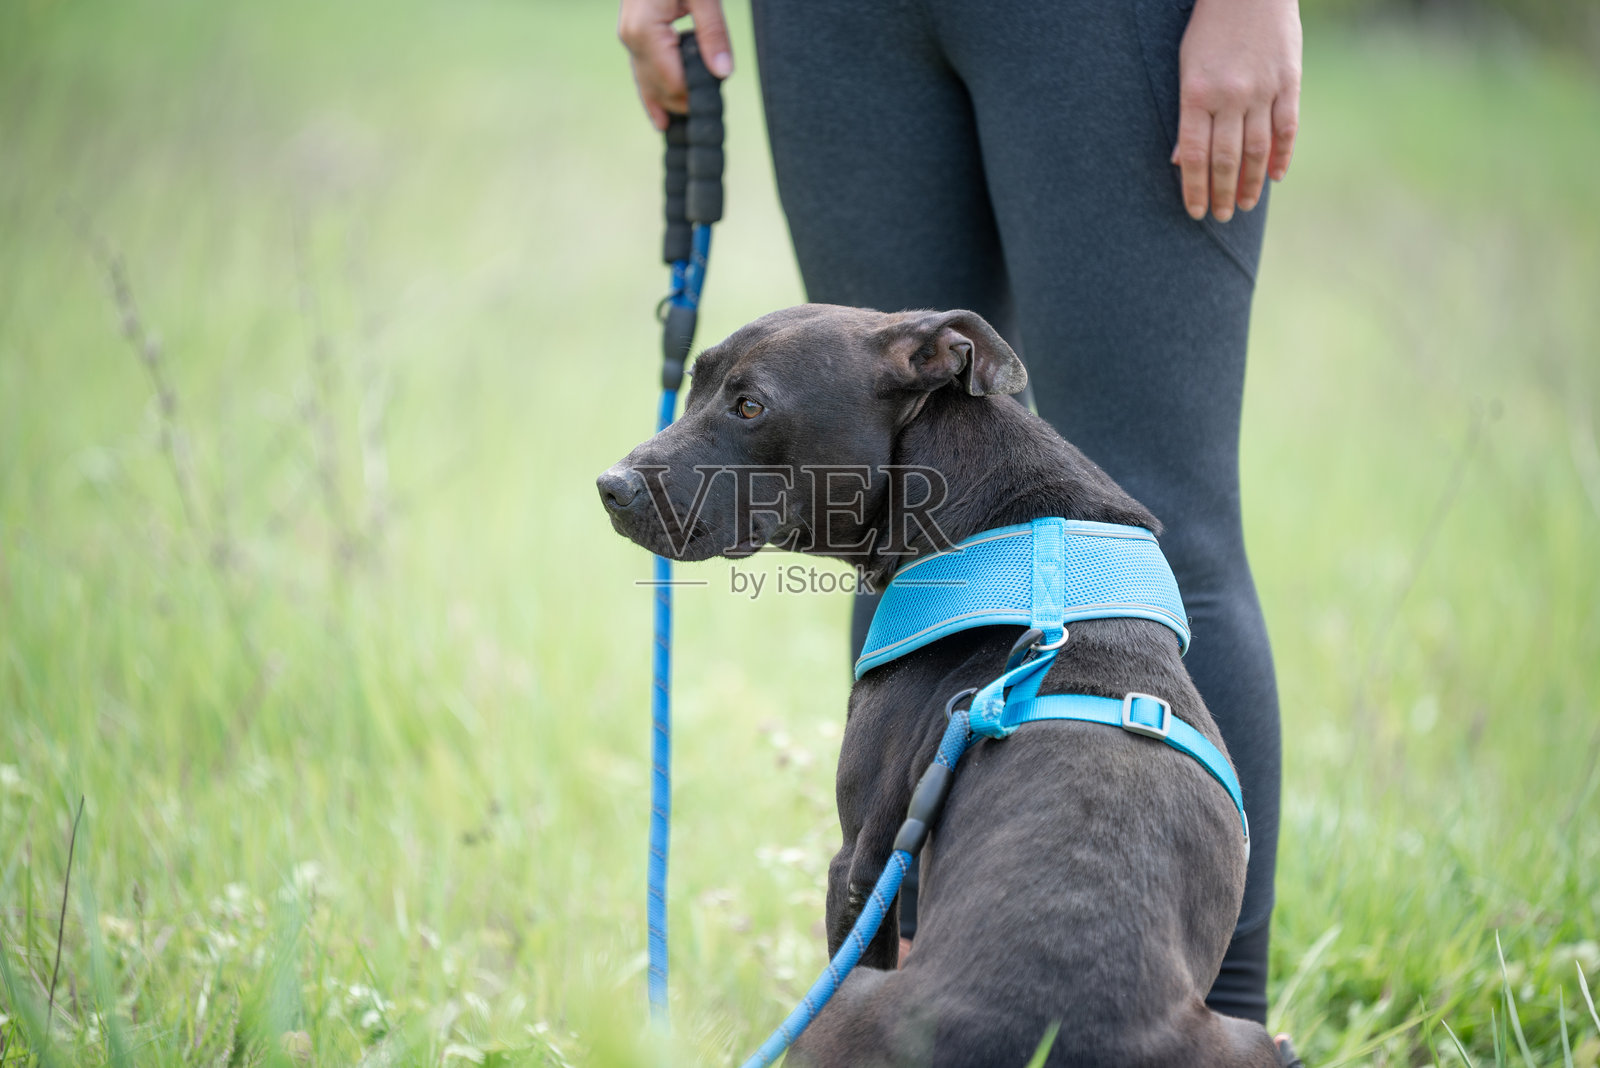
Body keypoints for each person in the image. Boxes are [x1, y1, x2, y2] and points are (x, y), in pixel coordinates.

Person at [618, 0, 1302, 1037]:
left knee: (1168, 527)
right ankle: (923, 1001)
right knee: (888, 509)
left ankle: (1201, 1016)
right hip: (834, 25)